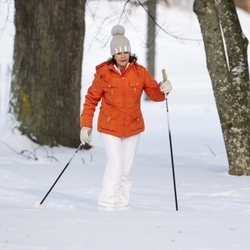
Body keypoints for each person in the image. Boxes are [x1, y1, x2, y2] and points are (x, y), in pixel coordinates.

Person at [80, 24, 172, 211]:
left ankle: (122, 205)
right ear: (113, 54)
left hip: (132, 127)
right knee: (115, 164)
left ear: (130, 53)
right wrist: (85, 125)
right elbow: (91, 100)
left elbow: (155, 93)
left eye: (126, 52)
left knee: (127, 169)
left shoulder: (139, 72)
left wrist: (164, 88)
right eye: (119, 52)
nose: (123, 55)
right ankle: (106, 205)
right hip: (109, 127)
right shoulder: (103, 74)